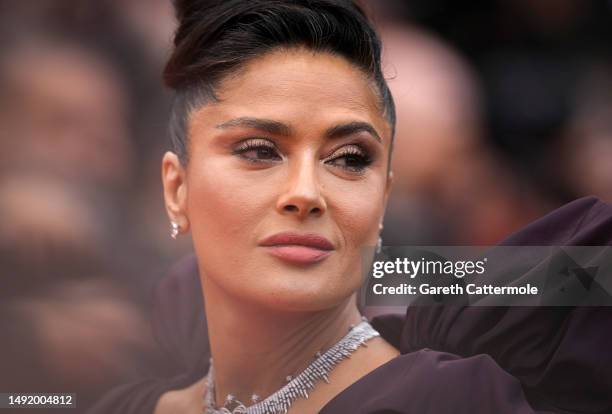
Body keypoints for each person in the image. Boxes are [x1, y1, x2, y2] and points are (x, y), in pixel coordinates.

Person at [89, 1, 612, 413]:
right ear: (176, 189)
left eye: (348, 159)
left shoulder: (452, 397)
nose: (306, 192)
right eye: (258, 151)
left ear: (384, 195)